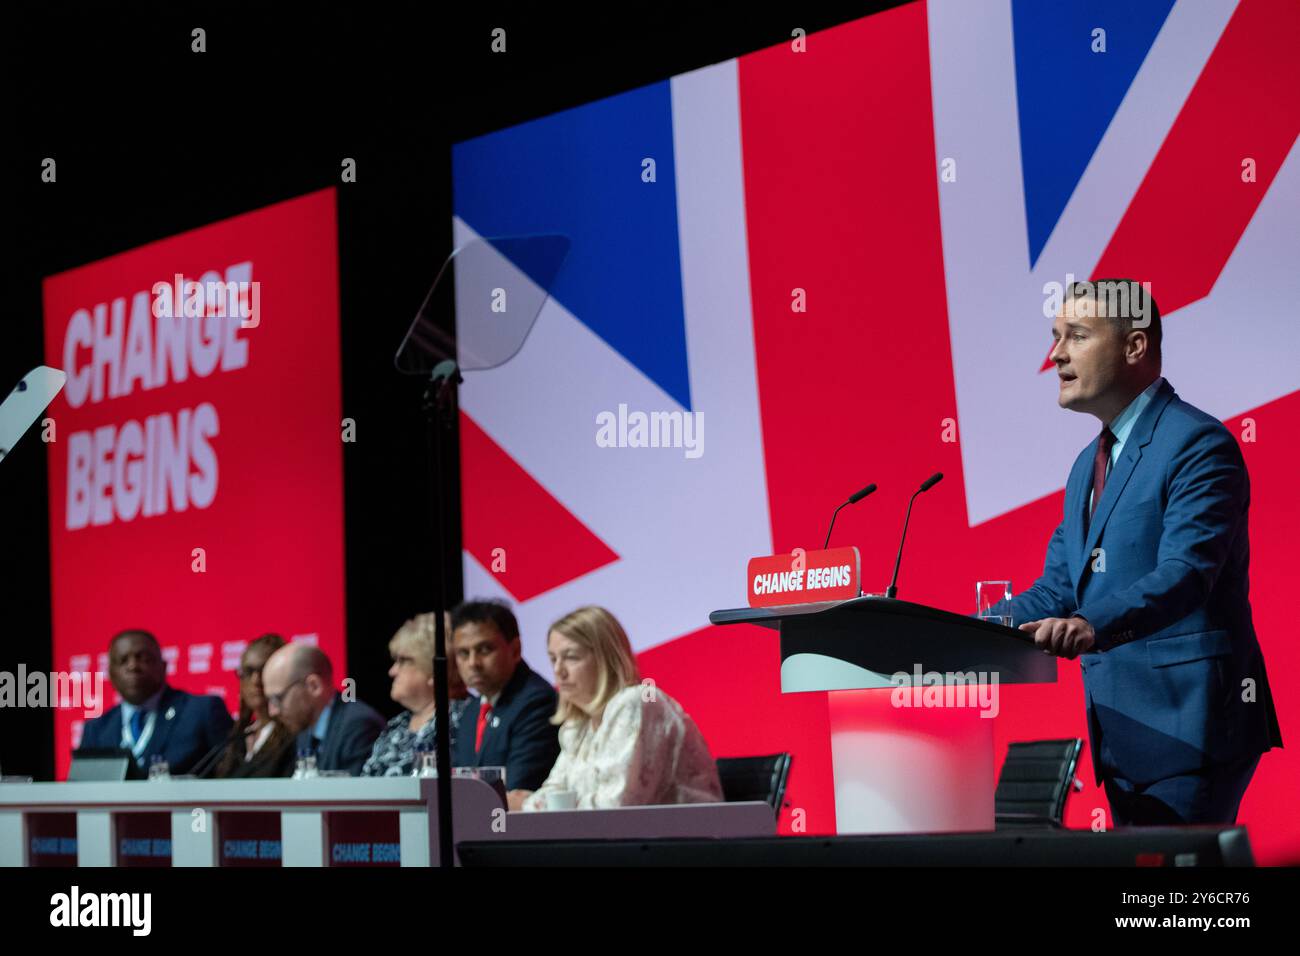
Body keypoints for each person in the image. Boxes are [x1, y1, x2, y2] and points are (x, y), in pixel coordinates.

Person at [999, 278, 1282, 825]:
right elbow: (1058, 590)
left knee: (1177, 905)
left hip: (1189, 726)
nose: (1055, 354)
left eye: (1076, 336)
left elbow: (1186, 573)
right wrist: (949, 632)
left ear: (1134, 347)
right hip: (1122, 734)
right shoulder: (1088, 462)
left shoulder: (1198, 444)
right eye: (1055, 337)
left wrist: (1088, 625)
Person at [516, 606, 722, 812]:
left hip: (688, 841)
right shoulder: (579, 726)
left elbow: (615, 808)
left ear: (606, 658)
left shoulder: (638, 703)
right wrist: (537, 804)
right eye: (553, 659)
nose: (558, 671)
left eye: (571, 657)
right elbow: (554, 790)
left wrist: (527, 805)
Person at [78, 629, 233, 775]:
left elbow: (231, 775)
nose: (133, 666)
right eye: (123, 661)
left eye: (143, 658)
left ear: (163, 666)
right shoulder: (96, 730)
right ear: (111, 674)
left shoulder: (202, 711)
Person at [449, 599, 559, 794]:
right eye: (463, 653)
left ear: (515, 650)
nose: (473, 663)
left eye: (484, 649)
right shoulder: (471, 711)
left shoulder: (536, 702)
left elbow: (518, 788)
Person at [362, 613, 472, 777]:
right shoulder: (397, 725)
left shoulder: (465, 719)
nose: (392, 671)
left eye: (404, 661)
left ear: (435, 670)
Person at [261, 643, 385, 776]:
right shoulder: (303, 731)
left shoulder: (359, 726)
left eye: (278, 698)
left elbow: (355, 795)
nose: (272, 711)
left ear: (314, 686)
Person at [205, 634, 298, 779]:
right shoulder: (237, 738)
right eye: (248, 672)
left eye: (264, 669)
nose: (256, 680)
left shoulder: (297, 735)